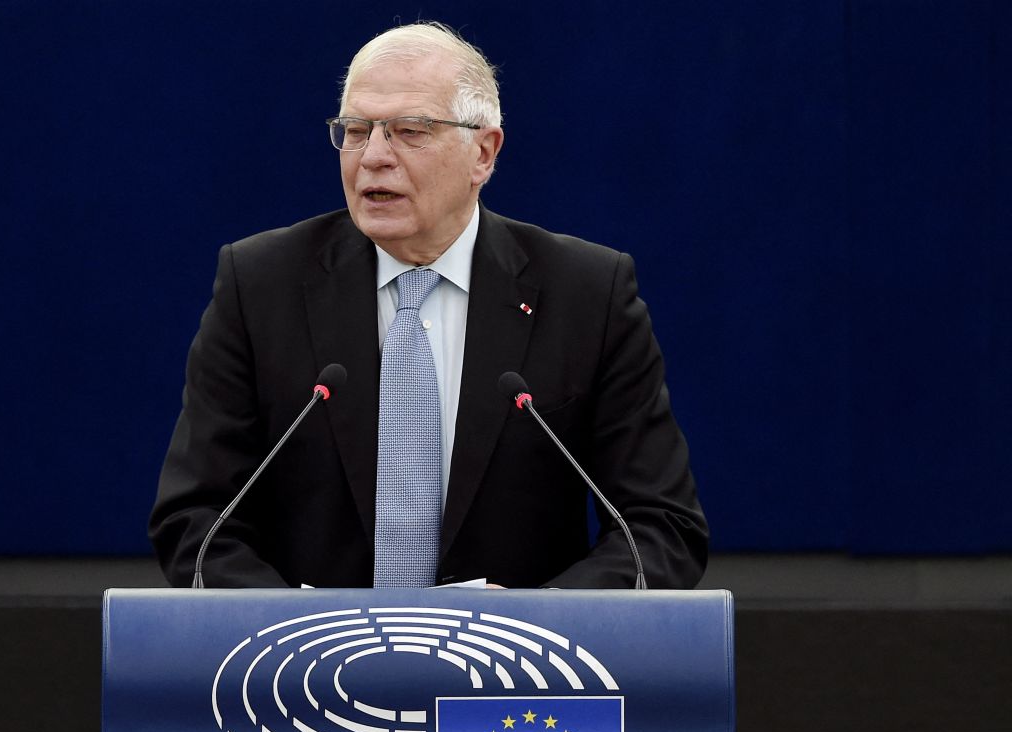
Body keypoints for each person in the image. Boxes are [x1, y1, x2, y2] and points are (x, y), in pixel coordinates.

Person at [149, 22, 707, 589]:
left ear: (483, 153)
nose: (373, 157)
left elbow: (659, 527)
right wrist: (297, 637)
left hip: (516, 670)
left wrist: (534, 632)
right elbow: (197, 520)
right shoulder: (260, 284)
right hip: (310, 671)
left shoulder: (587, 293)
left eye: (409, 131)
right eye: (356, 130)